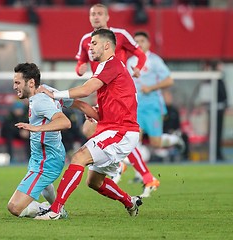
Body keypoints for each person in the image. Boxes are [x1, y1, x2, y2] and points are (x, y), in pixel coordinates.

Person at [35, 29, 142, 220]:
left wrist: (56, 94)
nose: (89, 46)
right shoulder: (109, 69)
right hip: (114, 129)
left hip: (121, 131)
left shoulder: (111, 64)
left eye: (93, 43)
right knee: (94, 182)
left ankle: (55, 210)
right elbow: (93, 110)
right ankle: (130, 201)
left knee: (79, 157)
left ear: (107, 45)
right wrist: (68, 102)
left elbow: (85, 90)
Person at [75, 3, 158, 198]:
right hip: (101, 90)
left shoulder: (119, 35)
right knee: (91, 130)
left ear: (107, 16)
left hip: (120, 91)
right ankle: (117, 164)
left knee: (122, 131)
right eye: (92, 14)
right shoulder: (86, 40)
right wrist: (80, 68)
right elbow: (81, 61)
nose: (96, 17)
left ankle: (144, 175)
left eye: (99, 13)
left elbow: (139, 53)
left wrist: (138, 67)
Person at [7, 62, 99, 218]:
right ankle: (58, 208)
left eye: (17, 82)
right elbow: (77, 103)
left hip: (47, 160)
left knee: (15, 207)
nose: (14, 86)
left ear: (30, 83)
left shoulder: (39, 101)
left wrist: (35, 128)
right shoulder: (49, 90)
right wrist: (97, 116)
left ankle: (50, 210)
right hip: (42, 155)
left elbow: (65, 122)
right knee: (44, 185)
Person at [125, 31, 185, 195]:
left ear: (148, 43)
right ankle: (140, 174)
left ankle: (175, 139)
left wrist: (150, 88)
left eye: (142, 40)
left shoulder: (155, 61)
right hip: (135, 107)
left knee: (156, 143)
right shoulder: (130, 61)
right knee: (134, 139)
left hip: (153, 107)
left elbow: (169, 80)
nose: (139, 44)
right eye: (136, 41)